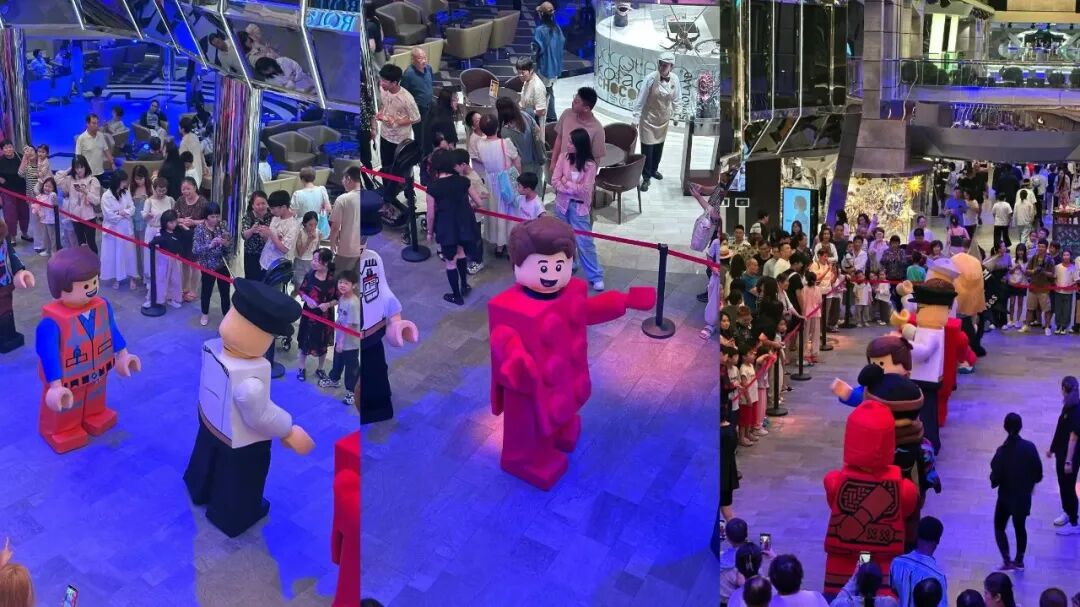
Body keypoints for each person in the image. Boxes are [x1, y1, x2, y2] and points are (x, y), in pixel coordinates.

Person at [426, 149, 483, 306]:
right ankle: (464, 285)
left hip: (447, 228)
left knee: (450, 262)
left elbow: (430, 215)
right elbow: (479, 202)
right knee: (462, 253)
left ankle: (457, 296)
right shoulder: (463, 181)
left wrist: (429, 232)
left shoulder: (433, 187)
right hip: (464, 225)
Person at [552, 128, 604, 291]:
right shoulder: (563, 158)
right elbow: (555, 181)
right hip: (562, 205)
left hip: (579, 208)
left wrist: (566, 183)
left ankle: (595, 276)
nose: (568, 145)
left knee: (585, 243)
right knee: (563, 240)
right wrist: (569, 187)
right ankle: (569, 265)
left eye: (571, 143)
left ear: (580, 145)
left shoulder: (590, 165)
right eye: (568, 142)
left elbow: (584, 190)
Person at [989, 412, 1042, 570]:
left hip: (1005, 498)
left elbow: (995, 477)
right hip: (1023, 497)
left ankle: (1007, 560)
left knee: (999, 527)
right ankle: (1019, 560)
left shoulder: (1002, 451)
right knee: (1020, 527)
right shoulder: (1030, 447)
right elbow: (1038, 474)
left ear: (1005, 427)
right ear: (1021, 427)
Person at [375, 64, 421, 218]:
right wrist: (381, 113)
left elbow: (416, 118)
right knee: (386, 169)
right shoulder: (383, 90)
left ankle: (409, 192)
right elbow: (384, 104)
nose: (381, 83)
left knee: (403, 170)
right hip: (385, 136)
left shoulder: (407, 98)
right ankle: (388, 201)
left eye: (385, 81)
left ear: (395, 82)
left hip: (401, 140)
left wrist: (397, 121)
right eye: (381, 79)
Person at [476, 114, 522, 258]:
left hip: (490, 181)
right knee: (510, 211)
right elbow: (517, 160)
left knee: (495, 211)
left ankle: (499, 245)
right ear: (498, 127)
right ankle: (511, 244)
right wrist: (519, 177)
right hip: (505, 181)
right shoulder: (505, 143)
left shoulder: (480, 143)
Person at [633, 52, 681, 192]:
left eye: (665, 65)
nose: (662, 66)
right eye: (660, 63)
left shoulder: (675, 80)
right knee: (647, 149)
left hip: (663, 119)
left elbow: (677, 99)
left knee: (659, 147)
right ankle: (646, 177)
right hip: (648, 119)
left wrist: (677, 114)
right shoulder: (650, 79)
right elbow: (640, 100)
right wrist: (636, 118)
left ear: (671, 66)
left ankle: (654, 170)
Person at [318, 270, 363, 406]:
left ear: (354, 285)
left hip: (350, 344)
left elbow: (349, 325)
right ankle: (334, 379)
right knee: (337, 361)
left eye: (346, 283)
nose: (342, 285)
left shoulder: (353, 303)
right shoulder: (342, 298)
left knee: (351, 367)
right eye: (340, 282)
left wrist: (341, 342)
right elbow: (341, 317)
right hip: (341, 339)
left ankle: (352, 391)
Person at [296, 247, 336, 382]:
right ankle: (301, 367)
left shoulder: (332, 279)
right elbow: (301, 291)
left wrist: (328, 304)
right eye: (313, 259)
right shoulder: (310, 275)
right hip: (308, 314)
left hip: (324, 317)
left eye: (317, 260)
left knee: (323, 343)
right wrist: (307, 299)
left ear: (326, 263)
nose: (313, 262)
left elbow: (337, 298)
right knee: (304, 341)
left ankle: (320, 368)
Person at [890, 516, 947, 607]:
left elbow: (892, 594)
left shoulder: (896, 562)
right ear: (938, 540)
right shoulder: (938, 576)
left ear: (917, 535)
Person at [192, 202, 232, 327]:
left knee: (225, 292)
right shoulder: (200, 229)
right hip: (207, 266)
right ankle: (204, 313)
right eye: (212, 216)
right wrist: (210, 245)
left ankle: (226, 315)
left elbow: (229, 246)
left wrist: (225, 243)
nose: (215, 219)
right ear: (206, 216)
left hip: (222, 264)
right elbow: (195, 250)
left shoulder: (223, 225)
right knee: (206, 291)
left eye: (217, 216)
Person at [1049, 375, 1080, 534]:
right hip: (1061, 453)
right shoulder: (1068, 406)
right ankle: (1067, 512)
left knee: (1068, 487)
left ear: (1063, 389)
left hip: (1070, 457)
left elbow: (1073, 438)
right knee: (1063, 485)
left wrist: (1068, 461)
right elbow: (1060, 429)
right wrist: (1052, 448)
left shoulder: (1076, 410)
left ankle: (1074, 523)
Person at [99, 169, 138, 290]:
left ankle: (132, 277)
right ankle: (117, 278)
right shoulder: (106, 196)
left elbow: (132, 208)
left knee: (129, 254)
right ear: (117, 181)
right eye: (123, 181)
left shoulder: (126, 192)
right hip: (113, 230)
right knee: (115, 254)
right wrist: (122, 214)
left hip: (126, 228)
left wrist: (123, 212)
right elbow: (109, 216)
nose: (126, 183)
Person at [54, 155, 101, 253]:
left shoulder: (92, 180)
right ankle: (82, 262)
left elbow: (96, 200)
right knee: (80, 243)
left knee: (91, 243)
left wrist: (86, 192)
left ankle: (94, 261)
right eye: (76, 168)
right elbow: (57, 179)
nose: (79, 170)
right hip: (75, 217)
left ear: (85, 167)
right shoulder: (70, 180)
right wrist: (69, 169)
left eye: (81, 167)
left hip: (89, 217)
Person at [497, 97, 544, 194]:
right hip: (536, 159)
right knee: (536, 191)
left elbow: (512, 154)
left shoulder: (505, 131)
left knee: (525, 194)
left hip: (522, 166)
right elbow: (538, 130)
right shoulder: (525, 115)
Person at [550, 87, 606, 169]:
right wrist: (553, 161)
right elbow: (559, 138)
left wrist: (590, 175)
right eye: (574, 98)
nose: (572, 102)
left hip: (579, 173)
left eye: (576, 102)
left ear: (586, 108)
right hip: (561, 167)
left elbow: (596, 159)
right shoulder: (566, 114)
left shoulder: (597, 130)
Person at [175, 177, 207, 301]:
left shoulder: (202, 202)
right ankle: (185, 287)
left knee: (195, 264)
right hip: (183, 235)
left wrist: (193, 222)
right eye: (183, 189)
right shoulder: (180, 200)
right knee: (184, 262)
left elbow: (207, 221)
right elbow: (174, 216)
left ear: (194, 187)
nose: (185, 191)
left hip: (196, 236)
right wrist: (182, 220)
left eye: (188, 188)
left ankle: (193, 290)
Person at [329, 166, 365, 278]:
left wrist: (332, 244)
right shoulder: (367, 196)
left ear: (348, 178)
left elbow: (335, 227)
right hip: (363, 247)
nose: (342, 181)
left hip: (346, 249)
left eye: (343, 178)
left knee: (341, 278)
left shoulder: (343, 199)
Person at [145, 209, 184, 309]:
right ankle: (152, 299)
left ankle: (171, 299)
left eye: (175, 221)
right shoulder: (160, 233)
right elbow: (152, 243)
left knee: (175, 280)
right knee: (160, 280)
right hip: (163, 260)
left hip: (175, 260)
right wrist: (154, 243)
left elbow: (181, 245)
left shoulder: (178, 231)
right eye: (171, 222)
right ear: (165, 222)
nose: (174, 224)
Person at [533, 2, 565, 121]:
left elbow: (536, 49)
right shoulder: (557, 28)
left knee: (543, 92)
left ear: (541, 14)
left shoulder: (540, 30)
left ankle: (549, 117)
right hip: (555, 66)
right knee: (549, 90)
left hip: (545, 67)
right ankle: (550, 116)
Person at [400, 48, 434, 155]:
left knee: (430, 130)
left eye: (425, 57)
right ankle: (420, 155)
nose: (424, 60)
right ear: (413, 60)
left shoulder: (429, 68)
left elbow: (431, 83)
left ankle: (430, 153)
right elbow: (404, 94)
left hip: (430, 105)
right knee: (420, 134)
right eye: (420, 58)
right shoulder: (408, 74)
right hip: (418, 109)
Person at [1019, 238, 1054, 334]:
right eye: (1039, 246)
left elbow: (1052, 274)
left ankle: (1047, 327)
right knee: (1030, 308)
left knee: (1047, 309)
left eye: (1043, 247)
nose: (1041, 248)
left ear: (1046, 248)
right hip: (1033, 287)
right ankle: (1027, 326)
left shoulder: (1049, 259)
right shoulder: (1033, 258)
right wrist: (1034, 271)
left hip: (1044, 288)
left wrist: (1043, 272)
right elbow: (1026, 271)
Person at [260, 191, 300, 273]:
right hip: (266, 262)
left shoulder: (293, 225)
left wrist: (271, 234)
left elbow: (284, 249)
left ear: (284, 207)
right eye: (270, 209)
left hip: (279, 266)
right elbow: (269, 241)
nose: (271, 212)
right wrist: (264, 235)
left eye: (273, 208)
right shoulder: (275, 218)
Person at [829, 562, 898, 607]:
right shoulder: (890, 603)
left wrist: (853, 578)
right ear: (880, 584)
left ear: (857, 582)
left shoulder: (842, 603)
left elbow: (834, 603)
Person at [290, 166, 331, 239]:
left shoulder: (297, 194)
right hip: (318, 224)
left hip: (303, 227)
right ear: (314, 178)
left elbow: (293, 213)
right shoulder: (322, 190)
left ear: (302, 179)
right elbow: (328, 209)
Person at [241, 191, 272, 282]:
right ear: (253, 206)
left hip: (268, 253)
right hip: (252, 254)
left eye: (263, 203)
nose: (261, 206)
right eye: (258, 204)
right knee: (252, 279)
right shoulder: (248, 216)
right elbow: (244, 235)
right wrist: (252, 230)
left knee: (266, 279)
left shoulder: (271, 215)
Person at [76, 113, 113, 183]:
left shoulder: (101, 136)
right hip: (87, 174)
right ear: (87, 124)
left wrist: (112, 163)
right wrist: (79, 172)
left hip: (100, 172)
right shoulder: (81, 138)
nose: (96, 125)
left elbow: (106, 150)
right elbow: (78, 157)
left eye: (97, 123)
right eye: (94, 123)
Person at [516, 58, 548, 133]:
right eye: (518, 72)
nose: (520, 75)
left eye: (523, 73)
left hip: (533, 123)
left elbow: (541, 111)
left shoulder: (537, 87)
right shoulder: (527, 79)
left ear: (531, 71)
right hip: (525, 115)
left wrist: (524, 112)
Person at [178, 116, 206, 186]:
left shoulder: (184, 142)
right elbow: (201, 153)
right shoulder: (195, 137)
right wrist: (204, 166)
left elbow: (181, 161)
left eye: (179, 126)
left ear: (182, 129)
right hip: (199, 171)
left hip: (191, 174)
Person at [1054, 250, 1077, 333]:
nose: (1066, 257)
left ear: (1070, 256)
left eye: (1068, 255)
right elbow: (1054, 278)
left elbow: (1076, 280)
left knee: (1067, 310)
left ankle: (1064, 326)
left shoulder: (1073, 267)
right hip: (1058, 292)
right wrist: (1056, 284)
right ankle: (1058, 326)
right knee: (1058, 309)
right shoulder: (1057, 267)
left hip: (1068, 293)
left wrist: (1070, 285)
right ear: (1062, 256)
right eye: (1064, 255)